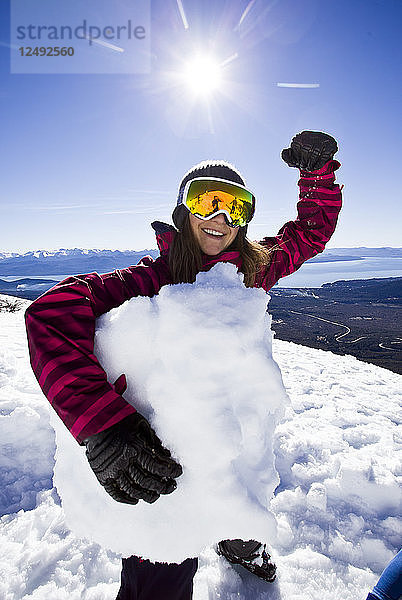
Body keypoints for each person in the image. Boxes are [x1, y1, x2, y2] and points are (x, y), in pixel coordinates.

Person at [25, 131, 342, 599]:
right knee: (161, 572)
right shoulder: (150, 280)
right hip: (158, 452)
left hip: (232, 432)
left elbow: (308, 234)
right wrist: (104, 427)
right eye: (207, 200)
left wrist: (315, 175)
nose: (220, 216)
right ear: (182, 211)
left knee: (240, 497)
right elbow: (50, 314)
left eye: (235, 207)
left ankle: (240, 542)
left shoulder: (251, 270)